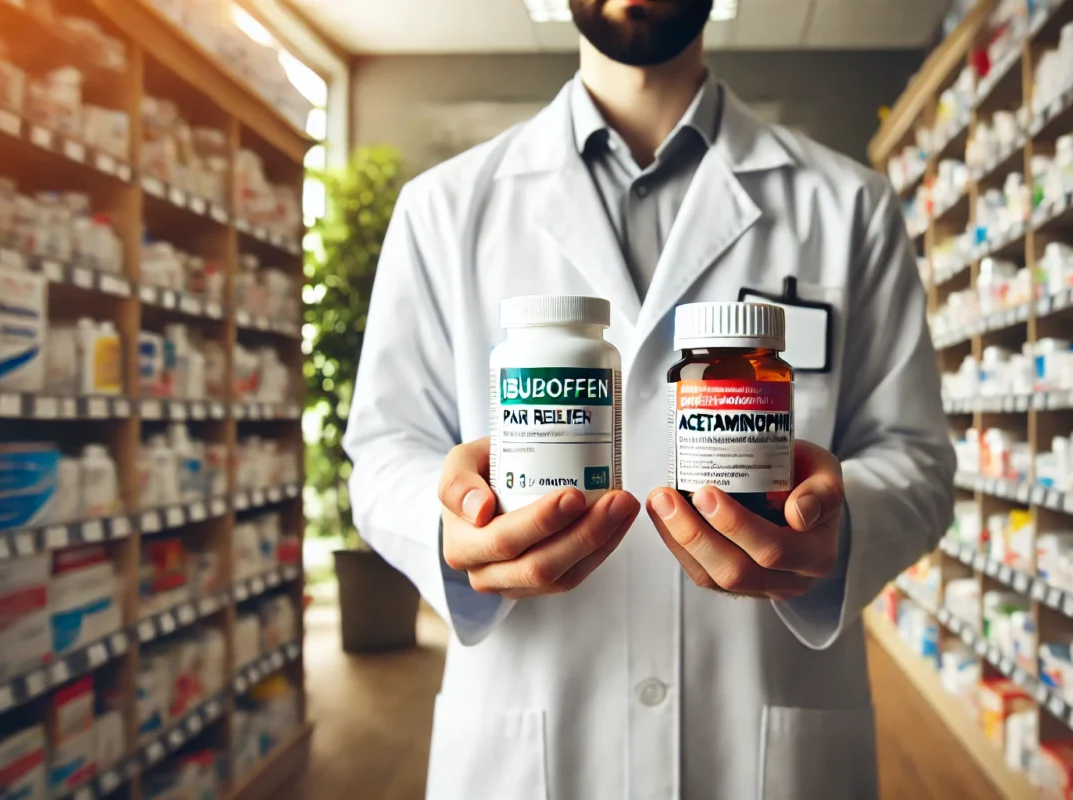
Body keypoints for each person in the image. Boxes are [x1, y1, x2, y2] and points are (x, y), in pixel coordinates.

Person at [343, 0, 955, 797]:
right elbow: (384, 448)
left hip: (765, 739)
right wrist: (453, 527)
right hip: (534, 732)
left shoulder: (849, 205)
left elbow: (917, 457)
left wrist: (834, 535)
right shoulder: (442, 209)